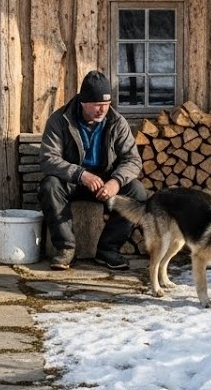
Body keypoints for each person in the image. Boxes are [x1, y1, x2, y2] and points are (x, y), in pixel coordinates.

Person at [38, 69, 148, 270]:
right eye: (97, 104)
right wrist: (81, 174)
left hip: (106, 180)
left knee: (137, 192)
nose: (102, 109)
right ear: (83, 102)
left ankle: (108, 250)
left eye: (106, 104)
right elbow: (48, 159)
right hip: (73, 180)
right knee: (49, 186)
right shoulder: (59, 119)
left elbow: (133, 160)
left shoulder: (117, 122)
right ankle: (65, 249)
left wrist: (116, 182)